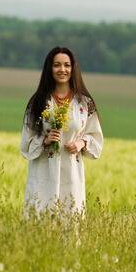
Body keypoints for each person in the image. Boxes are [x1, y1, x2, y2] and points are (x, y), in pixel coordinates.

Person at [20, 46, 103, 216]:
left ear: (73, 68)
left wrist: (81, 143)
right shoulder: (37, 102)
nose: (62, 69)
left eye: (67, 65)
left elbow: (96, 138)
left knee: (69, 225)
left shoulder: (84, 104)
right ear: (49, 69)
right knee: (39, 227)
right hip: (43, 174)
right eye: (56, 65)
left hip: (71, 176)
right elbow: (25, 144)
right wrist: (45, 139)